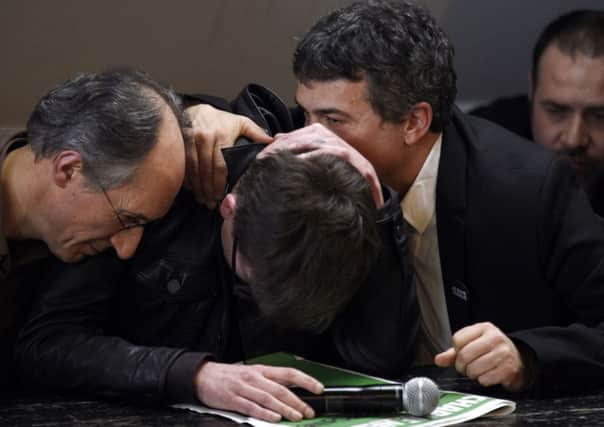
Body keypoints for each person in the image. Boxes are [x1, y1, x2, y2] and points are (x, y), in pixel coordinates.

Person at [286, 0, 604, 394]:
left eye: (332, 121)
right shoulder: (311, 154)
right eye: (305, 115)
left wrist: (528, 357)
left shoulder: (530, 188)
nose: (309, 137)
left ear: (414, 122)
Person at [16, 121, 418, 423]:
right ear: (230, 209)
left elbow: (379, 363)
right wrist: (196, 376)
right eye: (251, 276)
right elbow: (48, 343)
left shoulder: (342, 222)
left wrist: (382, 216)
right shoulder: (152, 195)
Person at [0, 69, 192, 388]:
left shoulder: (75, 233)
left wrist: (212, 113)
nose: (126, 248)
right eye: (127, 219)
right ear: (69, 169)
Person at [471, 10, 604, 215]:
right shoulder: (476, 145)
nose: (573, 139)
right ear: (532, 90)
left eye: (599, 117)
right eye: (556, 111)